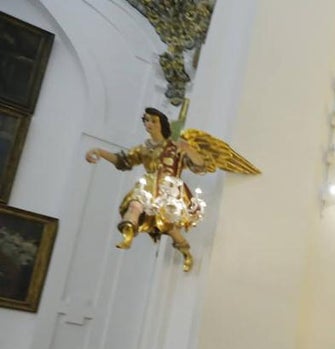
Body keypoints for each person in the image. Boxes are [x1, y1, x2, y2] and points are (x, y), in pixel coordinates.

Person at [85, 107, 259, 272]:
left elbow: (200, 166)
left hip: (169, 189)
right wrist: (100, 152)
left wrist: (189, 149)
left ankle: (186, 253)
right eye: (146, 120)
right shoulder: (144, 148)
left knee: (167, 225)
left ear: (162, 124)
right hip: (148, 185)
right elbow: (122, 161)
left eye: (153, 121)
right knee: (134, 205)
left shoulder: (174, 147)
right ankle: (128, 234)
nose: (149, 124)